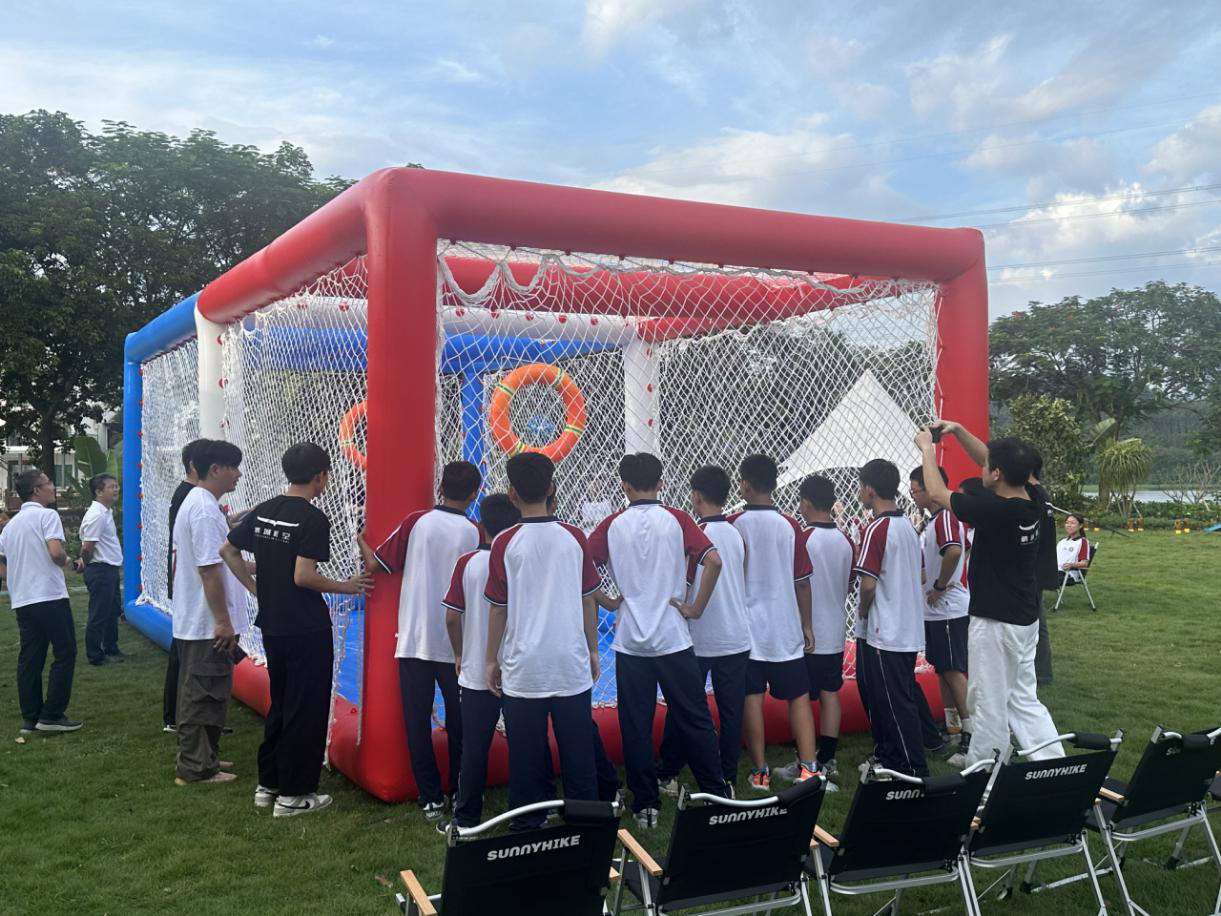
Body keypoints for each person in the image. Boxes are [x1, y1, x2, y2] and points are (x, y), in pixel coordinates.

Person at [222, 443, 372, 816]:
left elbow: (228, 551)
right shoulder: (312, 518)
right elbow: (303, 576)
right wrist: (346, 586)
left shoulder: (265, 510)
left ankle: (269, 783)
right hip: (305, 626)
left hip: (274, 623)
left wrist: (255, 588)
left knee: (282, 702)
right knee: (307, 707)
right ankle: (295, 794)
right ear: (320, 476)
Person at [589, 454, 730, 827]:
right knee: (695, 718)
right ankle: (716, 794)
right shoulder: (678, 519)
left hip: (631, 641)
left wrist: (608, 601)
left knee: (635, 725)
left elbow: (580, 566)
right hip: (672, 637)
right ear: (661, 484)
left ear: (624, 486)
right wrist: (695, 608)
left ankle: (645, 805)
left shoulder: (612, 524)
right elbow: (714, 561)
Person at [914, 423, 1065, 766]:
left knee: (987, 702)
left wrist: (927, 448)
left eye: (986, 466)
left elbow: (936, 494)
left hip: (996, 624)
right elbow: (999, 462)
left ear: (997, 474)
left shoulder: (995, 511)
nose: (981, 467)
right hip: (1023, 619)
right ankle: (1054, 766)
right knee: (1023, 700)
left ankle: (984, 772)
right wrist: (958, 431)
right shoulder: (1035, 498)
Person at [484, 452, 601, 832]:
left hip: (525, 668)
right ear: (552, 488)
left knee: (526, 758)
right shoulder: (574, 537)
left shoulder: (505, 543)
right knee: (578, 755)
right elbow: (588, 600)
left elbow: (498, 608)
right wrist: (593, 649)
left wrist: (490, 659)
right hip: (569, 663)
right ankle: (586, 830)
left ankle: (527, 828)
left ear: (512, 493)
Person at [358, 461, 481, 821]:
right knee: (460, 722)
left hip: (415, 638)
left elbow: (377, 564)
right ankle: (460, 789)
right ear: (474, 494)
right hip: (458, 643)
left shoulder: (417, 522)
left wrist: (361, 540)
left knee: (416, 722)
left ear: (440, 487)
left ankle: (430, 797)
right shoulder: (474, 532)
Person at [730, 454, 825, 792]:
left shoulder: (734, 524)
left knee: (752, 698)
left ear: (744, 485)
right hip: (784, 628)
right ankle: (809, 768)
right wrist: (807, 624)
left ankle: (760, 772)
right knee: (798, 697)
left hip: (748, 631)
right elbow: (802, 582)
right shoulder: (789, 525)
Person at [655, 465, 751, 797]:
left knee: (683, 708)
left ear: (696, 497)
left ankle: (668, 771)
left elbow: (685, 582)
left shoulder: (695, 534)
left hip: (701, 637)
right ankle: (727, 776)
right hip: (736, 635)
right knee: (731, 712)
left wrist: (689, 608)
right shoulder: (735, 534)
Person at [172, 439, 250, 785]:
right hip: (207, 623)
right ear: (215, 469)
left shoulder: (205, 505)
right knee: (201, 694)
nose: (238, 474)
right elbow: (208, 569)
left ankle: (206, 757)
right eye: (233, 467)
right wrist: (222, 621)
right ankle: (195, 767)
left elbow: (220, 562)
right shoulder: (203, 509)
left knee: (211, 692)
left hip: (206, 621)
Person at [440, 492, 520, 829]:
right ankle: (533, 810)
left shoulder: (468, 563)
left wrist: (459, 653)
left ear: (481, 525)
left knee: (474, 747)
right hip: (518, 668)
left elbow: (451, 618)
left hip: (477, 669)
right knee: (527, 743)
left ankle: (467, 817)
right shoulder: (519, 559)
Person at [853, 459, 928, 777]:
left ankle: (912, 768)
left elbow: (868, 583)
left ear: (870, 489)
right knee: (888, 698)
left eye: (861, 487)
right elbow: (921, 574)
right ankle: (888, 757)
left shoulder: (877, 528)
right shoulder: (908, 527)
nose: (859, 492)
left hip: (887, 630)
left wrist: (864, 609)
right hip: (905, 626)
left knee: (895, 702)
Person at [0, 469, 82, 733]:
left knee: (30, 657)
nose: (53, 486)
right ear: (36, 490)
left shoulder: (11, 526)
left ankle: (30, 717)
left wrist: (15, 578)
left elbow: (2, 563)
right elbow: (56, 552)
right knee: (65, 652)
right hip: (49, 595)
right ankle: (52, 715)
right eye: (48, 483)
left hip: (22, 599)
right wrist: (68, 562)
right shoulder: (48, 515)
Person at [789, 474, 854, 780]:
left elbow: (796, 583)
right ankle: (828, 758)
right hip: (836, 630)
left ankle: (804, 760)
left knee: (800, 697)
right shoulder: (845, 540)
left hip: (808, 631)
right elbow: (850, 582)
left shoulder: (803, 538)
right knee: (830, 692)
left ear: (805, 503)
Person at [909, 464, 973, 765]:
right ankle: (954, 728)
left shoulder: (946, 516)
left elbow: (955, 550)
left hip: (948, 608)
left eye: (916, 490)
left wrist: (940, 585)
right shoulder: (934, 521)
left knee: (952, 670)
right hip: (937, 610)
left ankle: (972, 734)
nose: (913, 496)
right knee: (943, 669)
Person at [164, 438, 207, 732]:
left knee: (184, 650)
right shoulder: (191, 497)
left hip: (185, 580)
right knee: (185, 652)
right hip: (187, 582)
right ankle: (177, 716)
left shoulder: (190, 495)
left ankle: (182, 715)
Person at [78, 473, 125, 666]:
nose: (116, 489)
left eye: (116, 486)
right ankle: (95, 655)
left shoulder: (105, 511)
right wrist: (85, 562)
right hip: (100, 570)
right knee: (99, 613)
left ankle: (111, 647)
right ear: (98, 492)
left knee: (112, 611)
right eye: (111, 487)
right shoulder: (97, 515)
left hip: (109, 569)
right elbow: (88, 546)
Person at [1056, 514, 1090, 586]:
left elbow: (1084, 563)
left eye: (1072, 523)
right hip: (1053, 571)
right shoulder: (1062, 541)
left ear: (1080, 526)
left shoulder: (1082, 542)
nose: (1069, 525)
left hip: (1068, 574)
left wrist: (1071, 565)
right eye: (1067, 523)